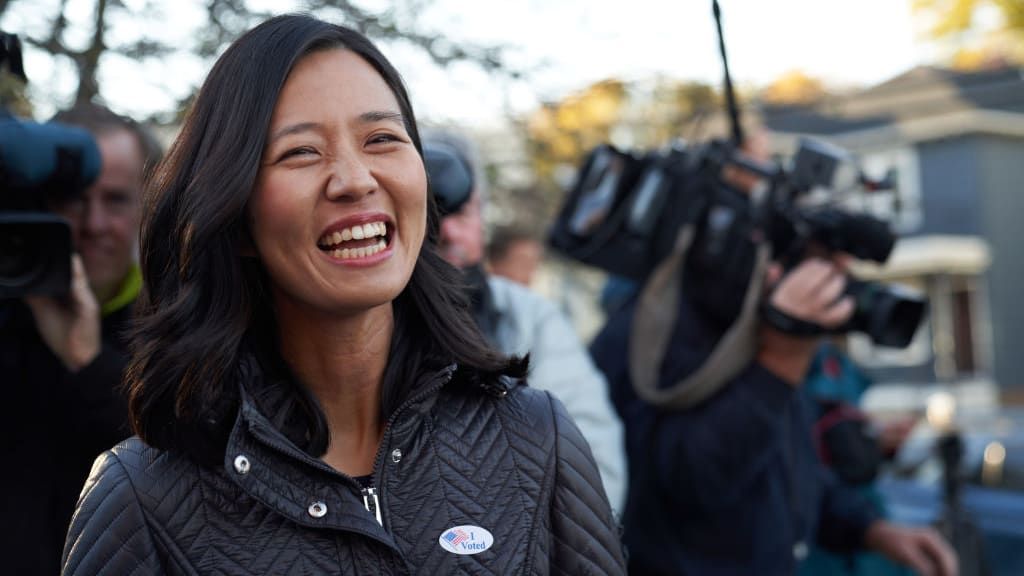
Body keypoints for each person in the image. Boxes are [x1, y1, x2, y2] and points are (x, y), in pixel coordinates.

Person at [62, 15, 625, 575]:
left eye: (382, 139)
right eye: (302, 152)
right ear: (234, 216)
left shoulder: (536, 438)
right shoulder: (141, 497)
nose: (355, 179)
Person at [589, 133, 958, 575]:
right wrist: (780, 361)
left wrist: (872, 529)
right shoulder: (648, 330)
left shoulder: (753, 319)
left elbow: (786, 469)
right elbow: (689, 482)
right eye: (825, 258)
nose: (838, 276)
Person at [428, 131, 628, 512]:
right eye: (432, 215)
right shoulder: (365, 324)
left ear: (482, 212)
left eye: (463, 211)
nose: (450, 232)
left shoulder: (531, 317)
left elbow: (595, 462)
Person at [0, 102, 159, 575]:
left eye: (115, 199)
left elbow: (185, 470)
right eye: (72, 200)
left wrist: (89, 361)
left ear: (146, 205)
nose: (93, 225)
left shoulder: (179, 324)